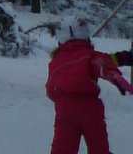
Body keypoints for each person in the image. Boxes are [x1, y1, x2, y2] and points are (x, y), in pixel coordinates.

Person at [47, 17, 132, 154]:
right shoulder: (91, 55)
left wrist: (62, 99)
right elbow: (101, 64)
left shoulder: (56, 61)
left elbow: (50, 88)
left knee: (62, 149)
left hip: (65, 112)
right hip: (91, 111)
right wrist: (112, 75)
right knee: (99, 149)